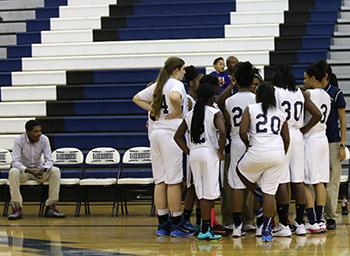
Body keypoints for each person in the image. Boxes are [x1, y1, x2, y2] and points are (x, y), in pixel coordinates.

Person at [132, 57, 193, 237]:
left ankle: (162, 223)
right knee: (173, 181)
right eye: (183, 70)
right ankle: (176, 223)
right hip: (170, 135)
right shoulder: (176, 84)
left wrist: (153, 109)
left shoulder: (159, 84)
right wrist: (177, 111)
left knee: (160, 180)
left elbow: (136, 98)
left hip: (156, 134)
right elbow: (174, 97)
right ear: (176, 70)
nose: (183, 73)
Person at [272, 63, 321, 237]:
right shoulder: (300, 92)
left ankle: (284, 224)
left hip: (282, 136)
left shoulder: (275, 91)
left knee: (283, 181)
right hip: (298, 136)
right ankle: (300, 223)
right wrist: (305, 129)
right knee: (298, 181)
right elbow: (317, 114)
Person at [237, 83, 290, 242]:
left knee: (239, 170)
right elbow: (286, 139)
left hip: (257, 151)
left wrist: (248, 145)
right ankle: (267, 230)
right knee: (270, 193)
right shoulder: (280, 113)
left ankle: (257, 193)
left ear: (258, 95)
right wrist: (281, 153)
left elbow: (242, 131)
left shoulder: (250, 109)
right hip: (277, 153)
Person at [174, 83, 226, 240]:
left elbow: (177, 136)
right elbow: (223, 131)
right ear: (211, 98)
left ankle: (205, 229)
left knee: (201, 193)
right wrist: (221, 150)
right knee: (209, 194)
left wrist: (188, 151)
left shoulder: (190, 114)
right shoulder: (215, 112)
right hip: (209, 153)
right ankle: (206, 229)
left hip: (195, 154)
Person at [224, 62, 257, 237]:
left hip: (236, 141)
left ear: (236, 80)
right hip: (254, 142)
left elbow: (229, 124)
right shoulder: (256, 98)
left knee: (237, 185)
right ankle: (253, 222)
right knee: (254, 183)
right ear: (252, 80)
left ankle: (236, 226)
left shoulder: (229, 101)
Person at [8, 120, 65, 220]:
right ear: (28, 132)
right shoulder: (19, 140)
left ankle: (51, 207)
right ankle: (17, 208)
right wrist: (28, 170)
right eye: (36, 131)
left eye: (40, 131)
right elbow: (15, 161)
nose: (39, 134)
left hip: (39, 170)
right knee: (13, 172)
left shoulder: (44, 139)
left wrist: (44, 169)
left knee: (55, 170)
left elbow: (49, 160)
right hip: (24, 171)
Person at [316, 61, 347, 230]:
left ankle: (330, 216)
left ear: (324, 76)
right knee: (316, 178)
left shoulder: (336, 93)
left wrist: (343, 144)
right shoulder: (311, 93)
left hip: (333, 141)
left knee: (332, 181)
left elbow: (342, 120)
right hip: (314, 140)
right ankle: (316, 214)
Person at [303, 63, 331, 233]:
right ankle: (320, 220)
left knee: (306, 181)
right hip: (323, 139)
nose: (304, 81)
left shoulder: (308, 93)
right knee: (320, 181)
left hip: (311, 139)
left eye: (306, 77)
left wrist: (304, 129)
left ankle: (312, 220)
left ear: (314, 78)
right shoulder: (327, 95)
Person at [182, 65, 203, 232]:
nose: (201, 84)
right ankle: (185, 218)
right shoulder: (188, 101)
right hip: (190, 147)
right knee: (192, 186)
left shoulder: (197, 101)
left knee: (197, 186)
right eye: (199, 81)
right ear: (191, 83)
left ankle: (197, 218)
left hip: (197, 147)